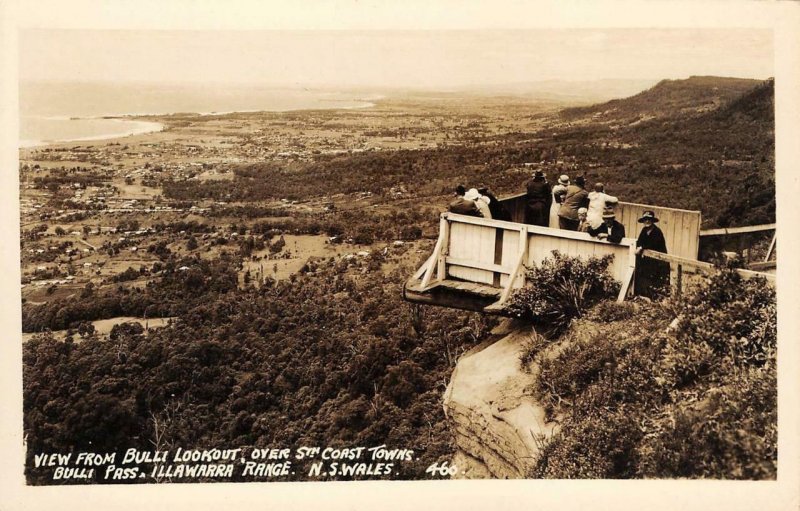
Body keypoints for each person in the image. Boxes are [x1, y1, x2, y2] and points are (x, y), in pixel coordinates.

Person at [634, 210, 670, 298]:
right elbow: (639, 241)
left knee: (659, 282)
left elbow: (653, 244)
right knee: (645, 279)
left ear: (652, 221)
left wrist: (642, 247)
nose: (647, 221)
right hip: (649, 261)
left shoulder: (657, 232)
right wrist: (639, 246)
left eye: (649, 219)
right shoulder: (644, 230)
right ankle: (646, 296)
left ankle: (659, 298)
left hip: (659, 261)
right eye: (645, 219)